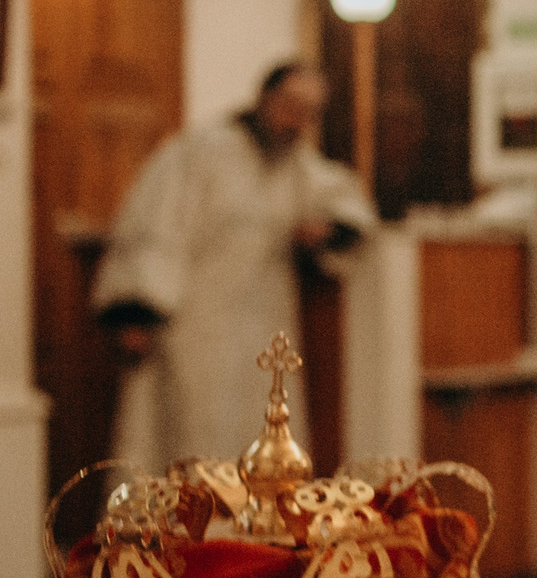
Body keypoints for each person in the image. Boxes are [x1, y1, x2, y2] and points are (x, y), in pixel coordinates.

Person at [93, 61, 374, 470]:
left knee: (260, 434)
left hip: (264, 326)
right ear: (265, 98)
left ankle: (249, 531)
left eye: (308, 112)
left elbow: (349, 206)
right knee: (192, 434)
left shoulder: (296, 165)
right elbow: (157, 227)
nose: (295, 120)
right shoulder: (200, 151)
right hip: (195, 323)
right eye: (290, 104)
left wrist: (327, 229)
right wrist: (138, 311)